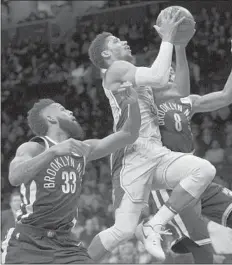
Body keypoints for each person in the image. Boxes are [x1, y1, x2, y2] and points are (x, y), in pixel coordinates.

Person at [87, 11, 216, 261]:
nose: (122, 41)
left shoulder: (135, 75)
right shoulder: (115, 69)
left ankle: (153, 225)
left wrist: (179, 47)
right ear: (105, 54)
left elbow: (180, 92)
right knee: (122, 230)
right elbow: (159, 75)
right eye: (114, 40)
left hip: (156, 152)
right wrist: (167, 37)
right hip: (132, 157)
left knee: (204, 169)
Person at [151, 28, 232, 264]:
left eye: (173, 70)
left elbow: (227, 96)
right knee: (200, 250)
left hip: (197, 177)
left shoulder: (186, 102)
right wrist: (176, 45)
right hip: (170, 182)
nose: (171, 72)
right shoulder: (146, 103)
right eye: (166, 70)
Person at [2, 86, 141, 264]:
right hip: (27, 242)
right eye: (62, 109)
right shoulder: (35, 147)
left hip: (64, 243)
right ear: (50, 118)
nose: (70, 111)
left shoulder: (82, 149)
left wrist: (134, 105)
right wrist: (53, 152)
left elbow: (129, 134)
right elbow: (14, 177)